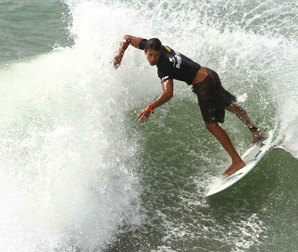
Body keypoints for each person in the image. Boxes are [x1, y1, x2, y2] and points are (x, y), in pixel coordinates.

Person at [113, 35, 266, 176]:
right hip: (209, 74)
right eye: (150, 55)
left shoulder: (164, 65)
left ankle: (237, 162)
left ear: (160, 52)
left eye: (156, 55)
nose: (153, 59)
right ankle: (256, 131)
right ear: (145, 50)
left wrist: (150, 107)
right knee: (228, 105)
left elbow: (168, 93)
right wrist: (120, 55)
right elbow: (127, 38)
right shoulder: (151, 45)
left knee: (211, 125)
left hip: (204, 84)